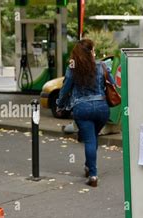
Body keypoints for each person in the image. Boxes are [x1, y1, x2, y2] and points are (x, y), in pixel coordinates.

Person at [56, 39, 114, 187]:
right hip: (102, 108)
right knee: (92, 138)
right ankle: (89, 167)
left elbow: (65, 89)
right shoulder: (102, 66)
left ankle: (93, 174)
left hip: (82, 108)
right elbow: (112, 84)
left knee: (89, 140)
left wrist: (60, 105)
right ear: (91, 52)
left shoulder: (73, 68)